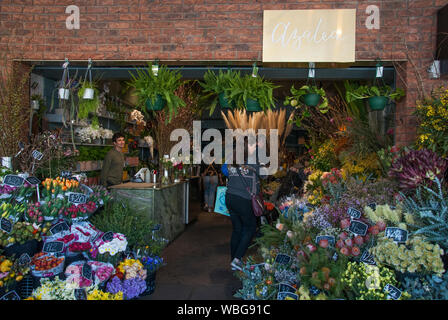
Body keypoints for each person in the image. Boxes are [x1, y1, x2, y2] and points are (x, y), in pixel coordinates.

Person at [225, 135, 266, 271]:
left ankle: (233, 260)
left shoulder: (232, 159)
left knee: (237, 229)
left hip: (230, 197)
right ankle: (237, 258)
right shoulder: (253, 161)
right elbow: (265, 175)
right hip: (243, 199)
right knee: (250, 227)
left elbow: (225, 171)